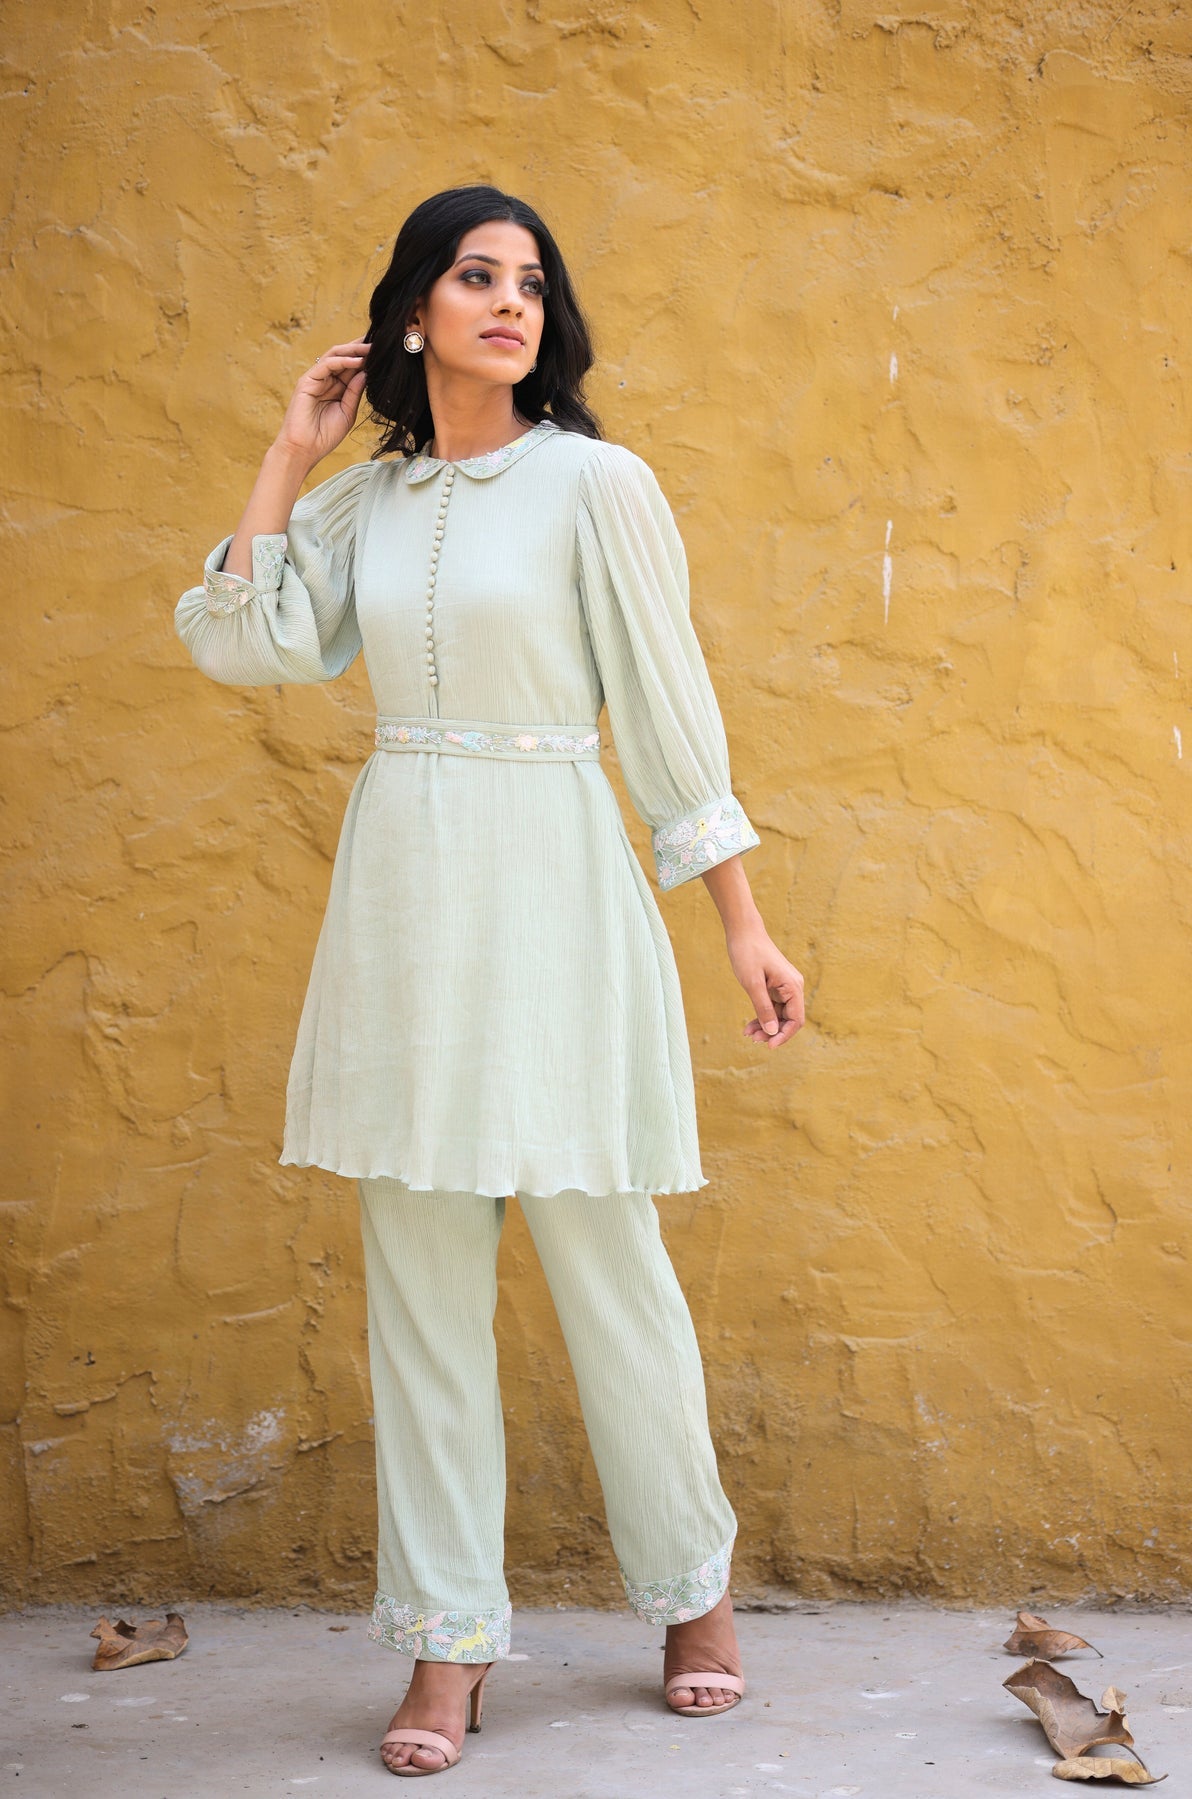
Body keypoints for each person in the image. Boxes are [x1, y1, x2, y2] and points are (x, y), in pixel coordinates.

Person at [175, 184, 805, 1778]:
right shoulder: (365, 506)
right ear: (414, 311)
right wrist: (290, 457)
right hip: (406, 902)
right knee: (422, 1296)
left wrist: (739, 921)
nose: (511, 302)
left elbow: (667, 704)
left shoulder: (597, 484)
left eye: (531, 280)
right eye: (475, 276)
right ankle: (447, 1643)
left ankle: (694, 1594)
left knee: (614, 1276)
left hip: (559, 886)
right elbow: (248, 643)